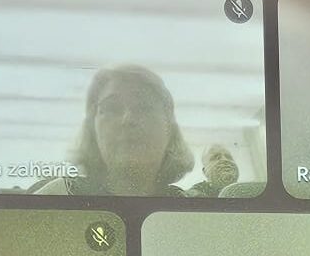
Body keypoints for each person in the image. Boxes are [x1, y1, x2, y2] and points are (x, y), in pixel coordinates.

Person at [33, 64, 194, 196]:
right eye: (111, 108)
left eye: (144, 107)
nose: (127, 119)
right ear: (92, 129)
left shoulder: (190, 211)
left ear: (169, 128)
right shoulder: (57, 196)